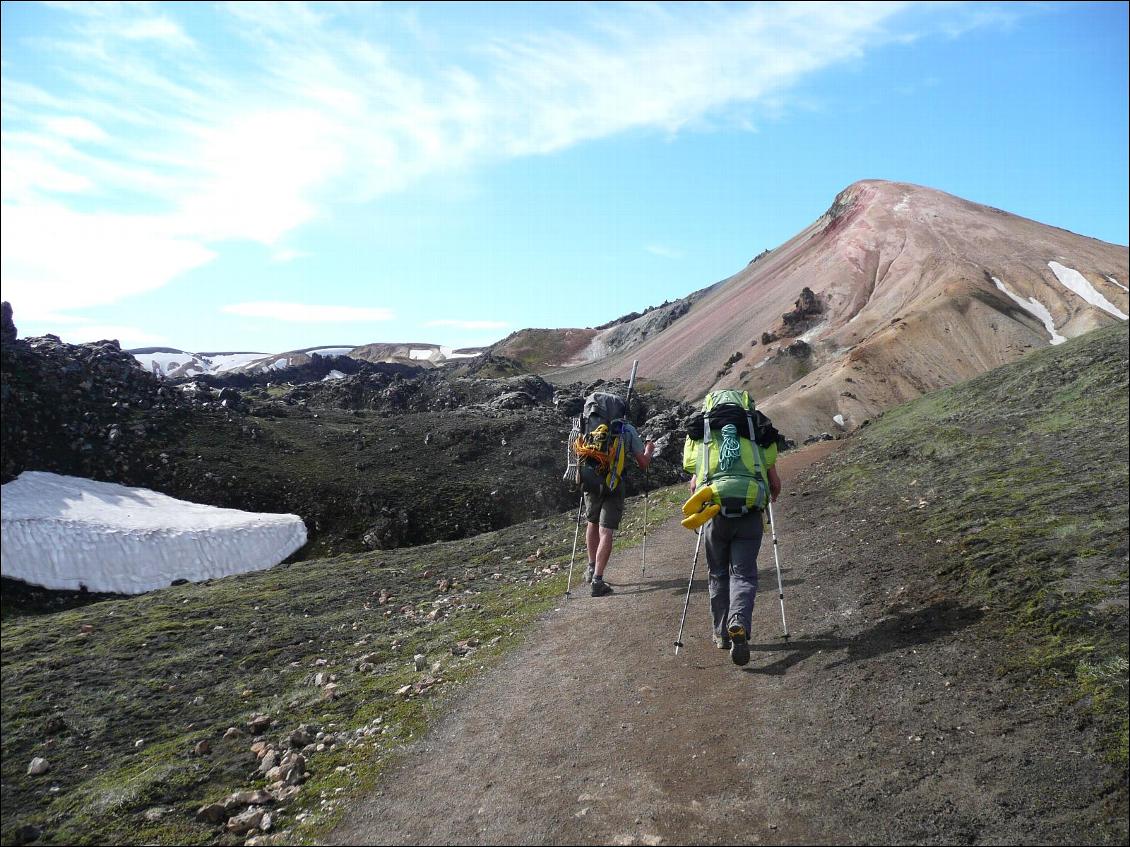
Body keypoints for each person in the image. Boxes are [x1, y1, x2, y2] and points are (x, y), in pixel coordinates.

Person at [682, 390, 782, 665]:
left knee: (717, 574)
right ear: (746, 405)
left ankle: (721, 634)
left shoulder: (700, 431)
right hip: (749, 511)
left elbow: (691, 469)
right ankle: (738, 620)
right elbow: (773, 479)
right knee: (744, 574)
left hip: (714, 512)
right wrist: (771, 494)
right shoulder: (758, 428)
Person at [582, 422, 655, 597]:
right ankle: (597, 581)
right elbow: (643, 463)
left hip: (592, 482)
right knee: (605, 530)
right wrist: (649, 450)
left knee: (591, 522)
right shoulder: (626, 428)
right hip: (614, 483)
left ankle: (591, 568)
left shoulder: (590, 424)